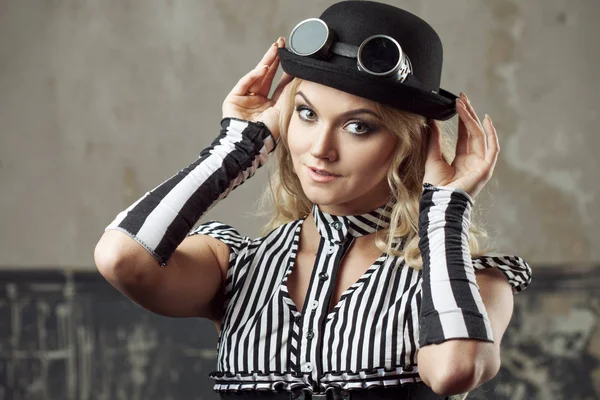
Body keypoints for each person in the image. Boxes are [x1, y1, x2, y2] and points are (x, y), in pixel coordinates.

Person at [95, 1, 532, 399]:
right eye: (306, 113)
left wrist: (445, 211)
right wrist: (236, 148)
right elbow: (122, 258)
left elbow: (454, 370)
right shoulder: (238, 267)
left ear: (410, 145)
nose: (320, 148)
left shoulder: (476, 283)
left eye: (358, 126)